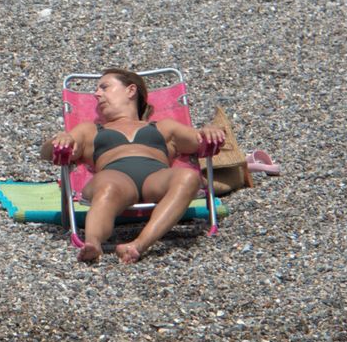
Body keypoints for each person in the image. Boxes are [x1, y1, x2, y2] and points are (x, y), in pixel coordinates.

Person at [42, 68, 225, 264]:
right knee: (108, 186)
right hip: (115, 177)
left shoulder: (163, 126)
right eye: (97, 90)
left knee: (189, 178)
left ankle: (138, 245)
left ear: (131, 91)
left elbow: (201, 142)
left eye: (104, 87)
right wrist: (59, 140)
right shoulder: (90, 130)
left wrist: (210, 131)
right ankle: (93, 243)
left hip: (155, 179)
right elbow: (47, 154)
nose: (96, 94)